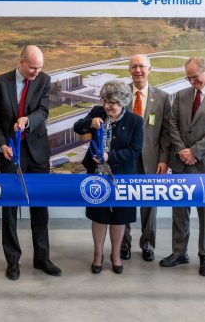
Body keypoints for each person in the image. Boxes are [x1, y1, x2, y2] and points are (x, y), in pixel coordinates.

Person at [0, 45, 61, 280]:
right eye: (32, 67)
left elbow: (43, 111)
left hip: (38, 153)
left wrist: (28, 120)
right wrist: (2, 145)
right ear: (21, 62)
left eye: (39, 68)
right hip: (11, 153)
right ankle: (13, 261)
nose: (36, 72)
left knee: (40, 208)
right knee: (10, 208)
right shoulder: (0, 82)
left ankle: (42, 258)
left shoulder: (44, 80)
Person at [160, 57, 205, 277]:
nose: (192, 81)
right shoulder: (181, 97)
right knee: (179, 210)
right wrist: (183, 151)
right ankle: (179, 252)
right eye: (188, 78)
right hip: (181, 163)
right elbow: (172, 125)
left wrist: (194, 151)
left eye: (196, 77)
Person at [74, 80, 143, 274]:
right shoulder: (97, 112)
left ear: (122, 102)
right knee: (99, 216)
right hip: (97, 175)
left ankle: (115, 256)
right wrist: (90, 123)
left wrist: (109, 156)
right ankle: (97, 255)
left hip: (122, 177)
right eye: (105, 101)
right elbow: (77, 127)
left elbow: (135, 151)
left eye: (112, 103)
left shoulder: (134, 121)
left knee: (119, 218)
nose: (107, 106)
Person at [120, 54, 171, 262]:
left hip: (152, 159)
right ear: (129, 70)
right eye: (134, 66)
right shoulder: (121, 94)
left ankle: (148, 244)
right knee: (124, 201)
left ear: (150, 69)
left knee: (149, 204)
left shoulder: (162, 97)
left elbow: (166, 132)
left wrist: (164, 158)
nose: (138, 70)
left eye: (142, 66)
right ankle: (123, 244)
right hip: (125, 159)